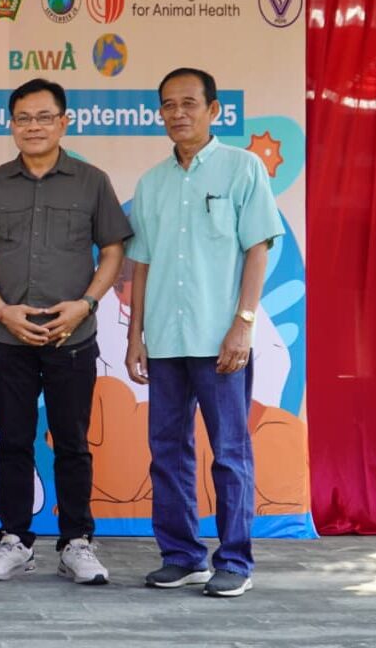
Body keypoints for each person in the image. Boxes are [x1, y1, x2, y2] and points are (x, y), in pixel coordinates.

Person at [0, 78, 131, 585]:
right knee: (13, 441)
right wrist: (2, 310)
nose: (33, 126)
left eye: (44, 117)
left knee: (72, 442)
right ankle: (15, 541)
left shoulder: (92, 181)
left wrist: (85, 305)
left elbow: (113, 251)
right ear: (12, 125)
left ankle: (77, 542)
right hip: (10, 340)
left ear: (63, 122)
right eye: (23, 118)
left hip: (71, 339)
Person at [125, 67, 283, 598]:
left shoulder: (243, 170)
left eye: (189, 103)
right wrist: (134, 337)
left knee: (231, 452)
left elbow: (257, 247)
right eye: (168, 105)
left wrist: (243, 325)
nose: (178, 113)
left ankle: (234, 559)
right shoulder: (151, 183)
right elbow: (141, 263)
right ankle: (183, 555)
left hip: (222, 341)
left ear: (214, 110)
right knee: (166, 451)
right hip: (166, 341)